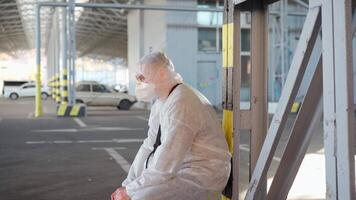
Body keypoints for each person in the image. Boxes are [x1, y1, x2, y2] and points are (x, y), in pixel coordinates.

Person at [111, 52, 231, 200]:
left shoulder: (181, 103)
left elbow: (166, 163)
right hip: (182, 168)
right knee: (135, 193)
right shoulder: (162, 101)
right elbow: (149, 145)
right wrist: (128, 184)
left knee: (139, 198)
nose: (139, 83)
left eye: (142, 78)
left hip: (204, 174)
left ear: (161, 74)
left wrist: (130, 191)